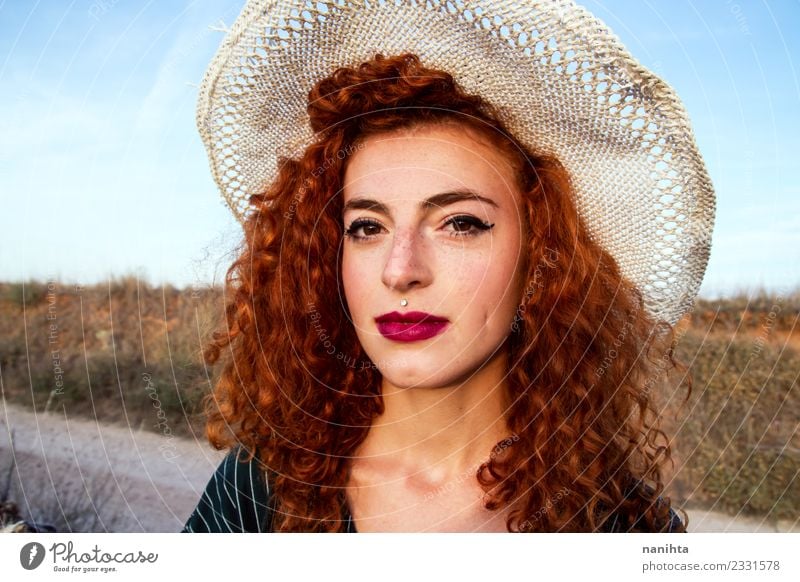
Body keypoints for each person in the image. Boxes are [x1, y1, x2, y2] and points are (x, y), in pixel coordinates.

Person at [182, 0, 714, 533]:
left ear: (541, 258)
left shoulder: (620, 527)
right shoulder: (263, 487)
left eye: (460, 223)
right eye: (367, 227)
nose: (401, 270)